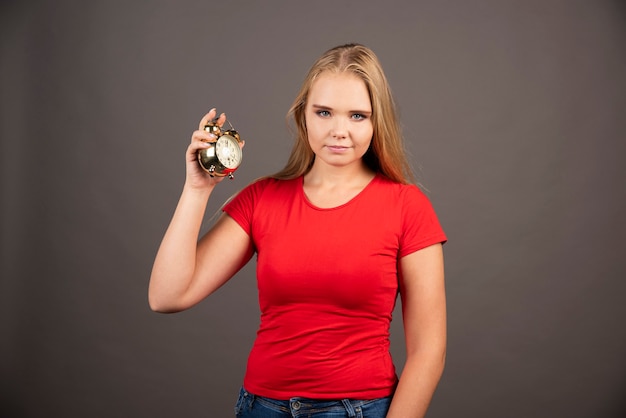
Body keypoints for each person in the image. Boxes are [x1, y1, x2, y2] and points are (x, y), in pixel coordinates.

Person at [149, 43, 447, 418]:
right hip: (261, 408)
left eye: (358, 116)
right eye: (324, 112)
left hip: (360, 410)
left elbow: (428, 352)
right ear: (303, 115)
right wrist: (197, 189)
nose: (339, 130)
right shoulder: (263, 199)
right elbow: (166, 295)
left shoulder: (407, 206)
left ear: (377, 122)